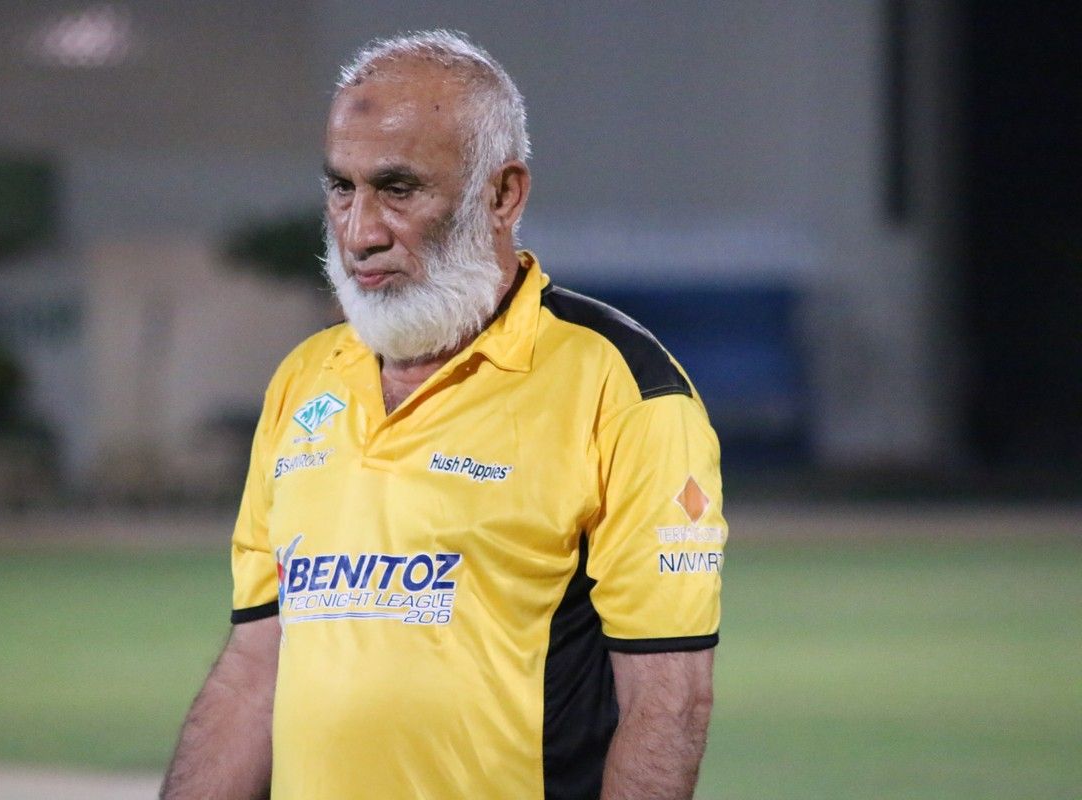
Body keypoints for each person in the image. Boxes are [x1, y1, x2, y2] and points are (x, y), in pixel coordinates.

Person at [161, 30, 726, 800]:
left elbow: (668, 704)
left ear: (502, 196)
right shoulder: (303, 379)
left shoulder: (620, 386)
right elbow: (255, 671)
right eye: (341, 188)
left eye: (398, 189)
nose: (359, 232)